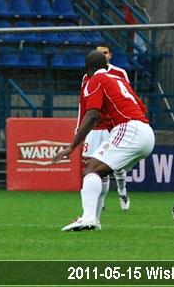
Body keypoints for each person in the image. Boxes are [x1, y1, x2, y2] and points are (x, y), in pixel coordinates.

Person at [53, 50, 154, 231]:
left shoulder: (95, 81)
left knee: (90, 170)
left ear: (87, 69)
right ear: (106, 65)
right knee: (100, 172)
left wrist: (72, 145)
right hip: (146, 131)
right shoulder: (119, 79)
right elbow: (141, 107)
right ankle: (95, 220)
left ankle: (88, 218)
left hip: (129, 128)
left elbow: (92, 115)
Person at [77, 43, 132, 213]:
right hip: (93, 129)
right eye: (100, 53)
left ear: (110, 55)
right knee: (92, 168)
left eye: (105, 52)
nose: (103, 55)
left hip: (112, 127)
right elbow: (83, 105)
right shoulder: (87, 77)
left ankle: (122, 192)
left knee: (116, 167)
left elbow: (126, 98)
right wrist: (79, 130)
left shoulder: (119, 73)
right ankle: (96, 208)